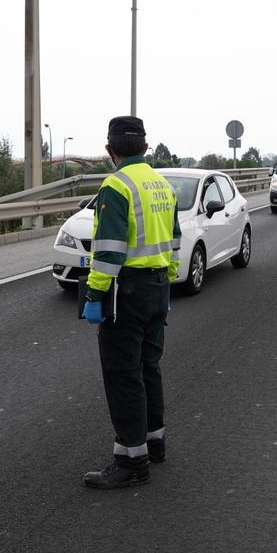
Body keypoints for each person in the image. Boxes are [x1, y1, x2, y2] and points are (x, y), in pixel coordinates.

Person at [80, 116, 182, 489]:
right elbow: (174, 241)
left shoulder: (115, 186)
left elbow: (108, 252)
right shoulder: (162, 184)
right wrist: (167, 283)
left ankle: (132, 460)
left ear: (110, 151)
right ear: (146, 147)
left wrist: (94, 295)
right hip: (157, 287)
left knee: (123, 375)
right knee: (148, 368)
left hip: (125, 292)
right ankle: (154, 442)